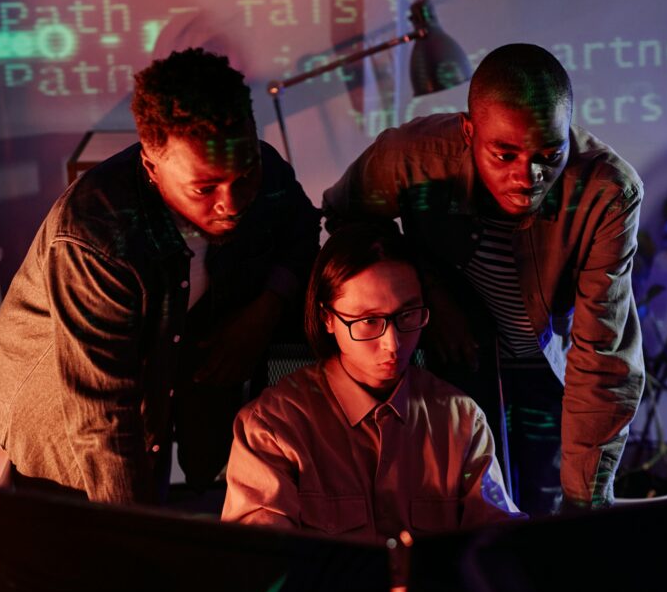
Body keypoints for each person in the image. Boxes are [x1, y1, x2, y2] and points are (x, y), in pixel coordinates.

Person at [0, 48, 321, 504]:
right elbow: (102, 420)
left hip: (153, 389)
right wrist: (141, 546)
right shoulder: (96, 237)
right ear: (152, 168)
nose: (234, 202)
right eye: (205, 189)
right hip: (62, 420)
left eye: (245, 174)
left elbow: (301, 230)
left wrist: (264, 311)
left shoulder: (263, 168)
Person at [322, 43, 644, 514]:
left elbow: (601, 358)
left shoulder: (607, 193)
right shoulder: (412, 158)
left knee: (546, 514)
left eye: (548, 155)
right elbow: (344, 218)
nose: (528, 175)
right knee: (448, 513)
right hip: (447, 370)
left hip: (547, 373)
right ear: (469, 131)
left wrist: (586, 512)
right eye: (505, 154)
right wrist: (426, 287)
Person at [221, 224, 522, 540]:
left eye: (407, 316)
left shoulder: (460, 420)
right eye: (368, 321)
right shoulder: (273, 426)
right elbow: (260, 563)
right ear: (327, 318)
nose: (393, 344)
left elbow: (497, 543)